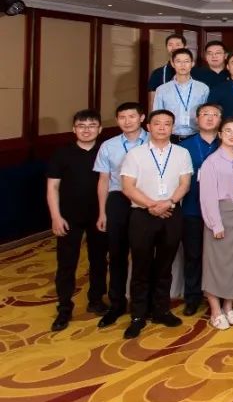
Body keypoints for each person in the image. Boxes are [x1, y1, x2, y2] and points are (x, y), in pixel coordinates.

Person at [118, 110, 193, 339]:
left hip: (171, 213)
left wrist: (168, 203)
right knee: (140, 266)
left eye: (167, 124)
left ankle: (161, 310)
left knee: (165, 265)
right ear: (148, 127)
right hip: (142, 214)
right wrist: (152, 205)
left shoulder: (182, 153)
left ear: (172, 128)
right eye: (157, 123)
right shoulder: (135, 154)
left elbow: (185, 184)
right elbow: (128, 187)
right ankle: (138, 315)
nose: (162, 127)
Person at [47, 109, 106, 331]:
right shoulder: (62, 154)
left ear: (99, 129)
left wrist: (105, 213)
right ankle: (64, 307)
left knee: (99, 260)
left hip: (99, 215)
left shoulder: (105, 151)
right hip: (68, 216)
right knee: (66, 263)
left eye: (92, 126)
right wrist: (56, 216)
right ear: (74, 129)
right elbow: (52, 187)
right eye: (81, 126)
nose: (86, 130)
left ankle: (96, 299)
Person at [93, 102, 147, 328]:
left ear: (141, 118)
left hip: (146, 200)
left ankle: (141, 304)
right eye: (122, 117)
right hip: (118, 199)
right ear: (117, 120)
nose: (127, 121)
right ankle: (116, 304)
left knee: (143, 254)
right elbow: (103, 180)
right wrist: (102, 212)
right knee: (117, 253)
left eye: (132, 116)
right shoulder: (109, 145)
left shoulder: (154, 140)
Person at [198, 119, 233, 331]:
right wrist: (215, 224)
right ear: (220, 134)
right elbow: (207, 197)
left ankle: (228, 307)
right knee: (217, 263)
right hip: (221, 215)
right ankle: (215, 310)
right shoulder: (212, 162)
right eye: (228, 131)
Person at [177, 104, 222, 316]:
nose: (210, 118)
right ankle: (192, 297)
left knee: (218, 256)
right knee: (193, 255)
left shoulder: (227, 142)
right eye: (205, 114)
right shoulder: (183, 146)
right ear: (197, 118)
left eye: (215, 115)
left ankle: (219, 294)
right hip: (192, 208)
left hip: (220, 210)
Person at [153, 48, 210, 143]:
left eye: (186, 61)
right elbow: (157, 116)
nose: (182, 65)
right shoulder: (162, 89)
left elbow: (207, 114)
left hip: (196, 136)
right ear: (172, 63)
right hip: (170, 137)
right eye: (178, 61)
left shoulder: (203, 88)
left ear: (192, 63)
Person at [147, 33, 186, 106]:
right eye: (170, 45)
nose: (174, 48)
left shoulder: (196, 72)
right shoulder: (158, 73)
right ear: (166, 47)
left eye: (178, 45)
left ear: (185, 47)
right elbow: (152, 101)